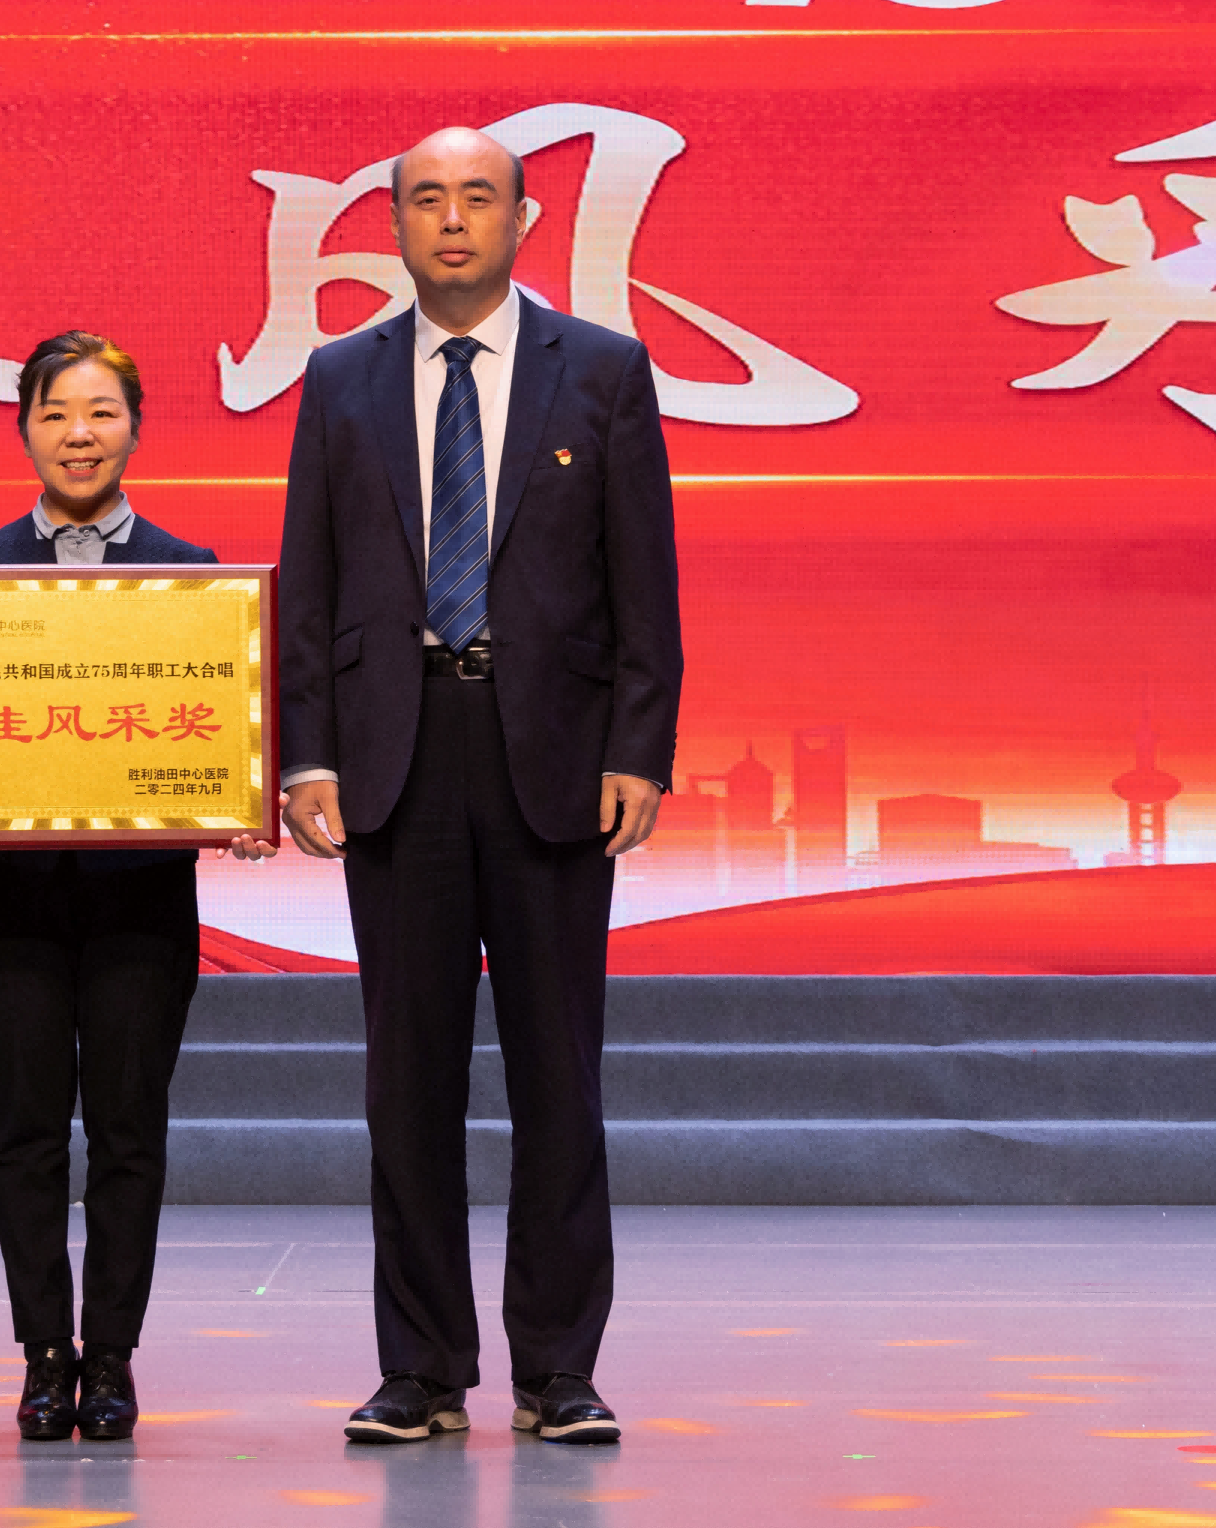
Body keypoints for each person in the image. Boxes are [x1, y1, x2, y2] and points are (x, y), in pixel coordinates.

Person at [274, 127, 678, 1448]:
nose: (450, 219)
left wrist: (638, 745)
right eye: (425, 198)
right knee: (407, 1080)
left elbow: (643, 578)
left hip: (551, 754)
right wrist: (306, 749)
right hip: (396, 754)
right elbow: (310, 578)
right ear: (392, 221)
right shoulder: (339, 377)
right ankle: (421, 1365)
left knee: (559, 1072)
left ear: (523, 218)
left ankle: (558, 1368)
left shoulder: (601, 370)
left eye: (476, 197)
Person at [0, 329, 275, 1445]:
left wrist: (241, 792)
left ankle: (111, 1356)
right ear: (25, 429)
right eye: (56, 414)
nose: (79, 435)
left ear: (136, 428)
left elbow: (223, 724)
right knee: (25, 1131)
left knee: (128, 1131)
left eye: (101, 413)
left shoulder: (194, 573)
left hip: (140, 903)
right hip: (11, 903)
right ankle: (42, 1354)